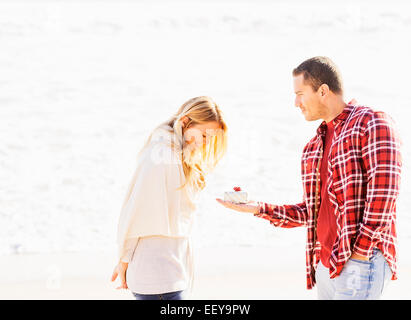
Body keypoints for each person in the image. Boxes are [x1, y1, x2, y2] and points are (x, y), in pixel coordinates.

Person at [216, 56, 402, 300]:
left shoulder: (372, 122)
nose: (296, 103)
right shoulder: (314, 146)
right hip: (326, 265)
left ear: (323, 90)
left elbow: (384, 193)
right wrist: (258, 209)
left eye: (300, 93)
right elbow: (311, 211)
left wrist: (361, 251)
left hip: (360, 262)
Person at [111, 96, 227, 300]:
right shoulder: (161, 155)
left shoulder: (180, 154)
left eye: (210, 137)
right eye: (204, 135)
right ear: (185, 122)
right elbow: (137, 210)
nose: (206, 143)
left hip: (171, 271)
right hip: (155, 276)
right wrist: (124, 258)